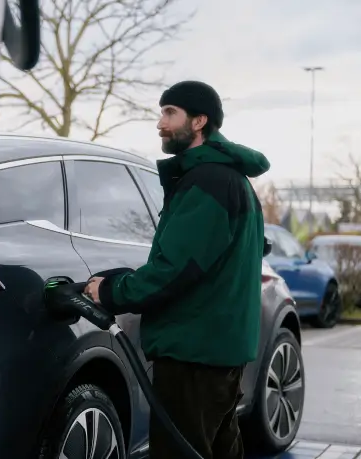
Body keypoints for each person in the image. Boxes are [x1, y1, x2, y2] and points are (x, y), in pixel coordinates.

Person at [83, 80, 270, 459]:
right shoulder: (231, 180)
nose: (160, 123)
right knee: (217, 449)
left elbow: (176, 268)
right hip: (218, 351)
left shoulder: (209, 183)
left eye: (170, 113)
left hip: (194, 353)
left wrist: (108, 291)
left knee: (180, 451)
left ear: (199, 121)